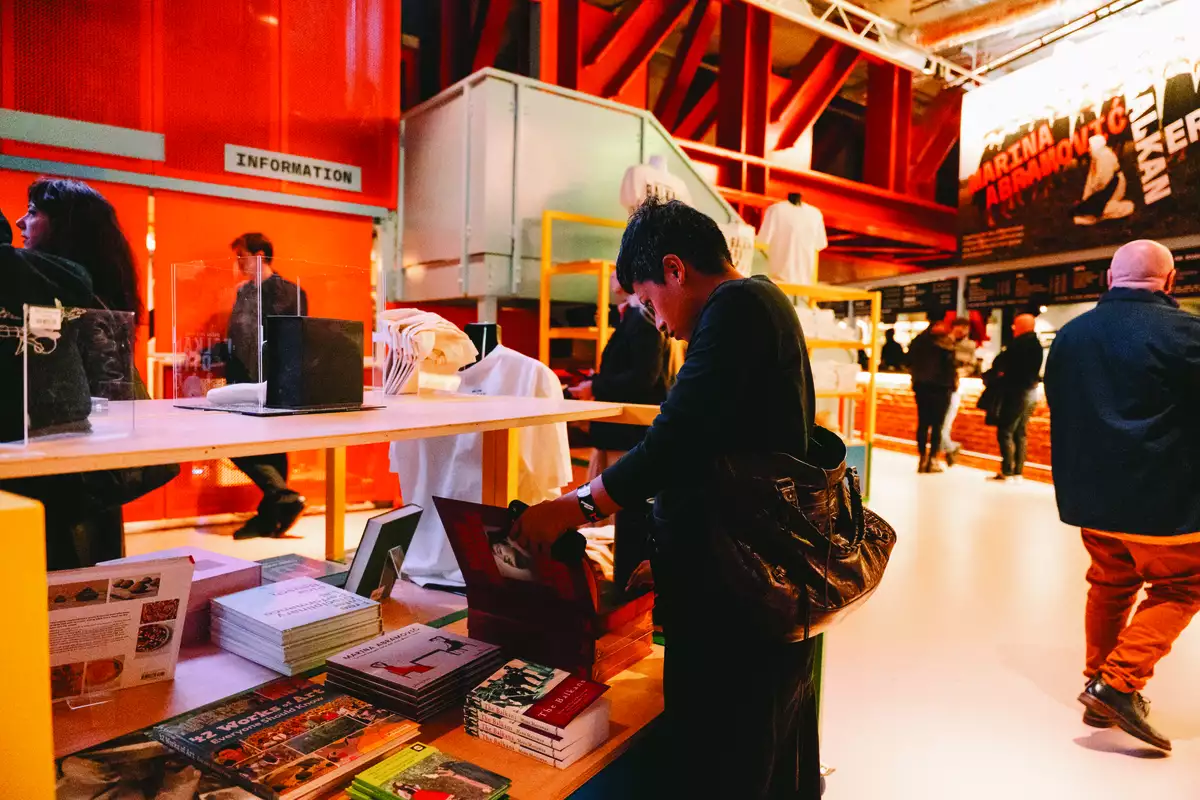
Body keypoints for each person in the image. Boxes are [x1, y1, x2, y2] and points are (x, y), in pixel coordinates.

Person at [513, 198, 820, 798]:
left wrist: (576, 506)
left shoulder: (741, 307)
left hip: (742, 599)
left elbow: (675, 441)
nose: (655, 320)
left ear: (676, 269)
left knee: (731, 753)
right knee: (760, 746)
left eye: (650, 300)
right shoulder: (750, 308)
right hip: (743, 579)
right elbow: (711, 445)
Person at [1044, 239, 1200, 753]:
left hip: (1093, 497)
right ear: (1171, 281)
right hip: (1164, 501)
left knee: (1110, 584)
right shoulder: (1187, 334)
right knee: (1182, 587)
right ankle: (1117, 683)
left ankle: (1097, 680)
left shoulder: (1070, 335)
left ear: (1109, 280)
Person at [10, 180, 177, 567]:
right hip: (77, 482)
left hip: (68, 485)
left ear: (66, 227)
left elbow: (104, 404)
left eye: (34, 212)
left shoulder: (73, 304)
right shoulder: (90, 297)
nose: (21, 221)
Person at [568, 270, 668, 590]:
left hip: (627, 436)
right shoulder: (634, 319)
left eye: (616, 271)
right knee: (614, 516)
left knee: (623, 514)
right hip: (617, 434)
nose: (611, 278)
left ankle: (626, 583)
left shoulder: (643, 322)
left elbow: (645, 378)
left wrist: (595, 385)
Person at [226, 233, 308, 539]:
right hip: (241, 383)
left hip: (273, 383)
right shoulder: (243, 292)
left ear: (259, 255)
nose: (238, 263)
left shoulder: (289, 292)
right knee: (239, 442)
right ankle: (281, 500)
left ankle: (272, 512)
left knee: (271, 448)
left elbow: (295, 338)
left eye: (241, 256)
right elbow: (238, 337)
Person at [987, 313, 1043, 482]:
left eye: (1015, 325)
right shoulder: (1036, 344)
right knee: (1020, 432)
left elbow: (1001, 363)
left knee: (1005, 430)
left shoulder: (1019, 345)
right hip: (1031, 392)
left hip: (1016, 391)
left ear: (1023, 327)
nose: (1012, 328)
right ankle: (1018, 472)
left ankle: (1007, 471)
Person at [906, 320, 956, 474]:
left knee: (923, 423)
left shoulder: (919, 342)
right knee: (937, 425)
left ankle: (922, 458)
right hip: (942, 388)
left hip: (922, 387)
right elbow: (951, 367)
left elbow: (908, 361)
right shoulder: (947, 344)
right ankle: (932, 458)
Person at [940, 317, 976, 464]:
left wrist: (958, 372)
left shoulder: (969, 345)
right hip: (940, 386)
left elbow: (970, 366)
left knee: (944, 424)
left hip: (954, 387)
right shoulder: (944, 342)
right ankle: (950, 448)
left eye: (965, 328)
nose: (962, 331)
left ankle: (948, 449)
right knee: (940, 424)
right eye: (959, 327)